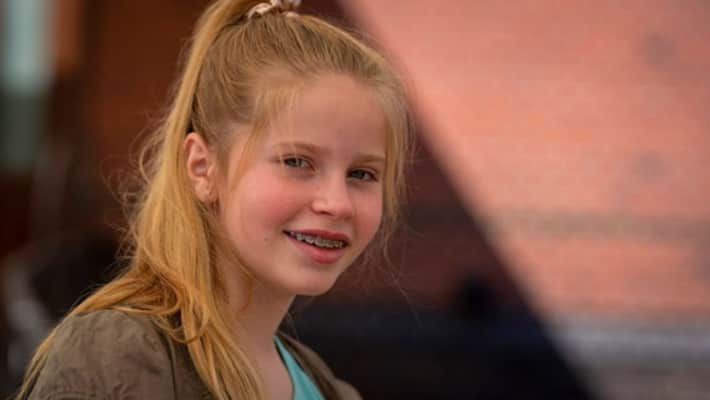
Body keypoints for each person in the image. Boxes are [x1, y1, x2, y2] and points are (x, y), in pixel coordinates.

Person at [15, 0, 413, 399]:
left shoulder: (329, 390)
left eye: (362, 174)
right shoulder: (113, 358)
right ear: (203, 168)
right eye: (297, 162)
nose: (338, 203)